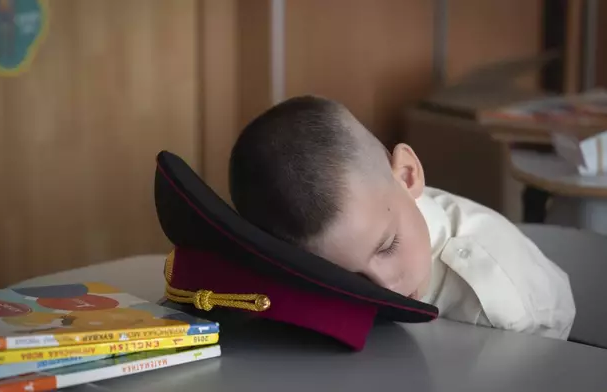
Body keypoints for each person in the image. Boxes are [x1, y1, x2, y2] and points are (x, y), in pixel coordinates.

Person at [228, 95, 576, 340]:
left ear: (408, 175)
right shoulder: (380, 206)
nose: (385, 286)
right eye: (345, 275)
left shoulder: (503, 309)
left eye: (387, 246)